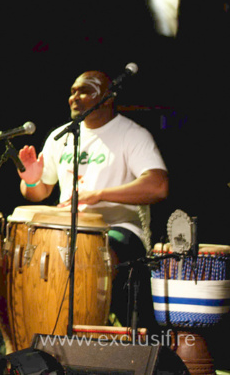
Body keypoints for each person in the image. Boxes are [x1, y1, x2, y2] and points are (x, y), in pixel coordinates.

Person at [17, 70, 169, 328]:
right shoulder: (62, 136)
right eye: (72, 91)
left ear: (108, 98)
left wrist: (98, 195)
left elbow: (158, 186)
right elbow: (39, 192)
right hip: (67, 229)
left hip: (119, 230)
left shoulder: (132, 134)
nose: (74, 97)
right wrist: (31, 179)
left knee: (96, 256)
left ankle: (96, 330)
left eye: (84, 90)